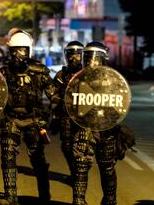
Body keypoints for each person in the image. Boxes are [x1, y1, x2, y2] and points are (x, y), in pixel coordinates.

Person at [0, 30, 58, 205]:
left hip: (33, 119)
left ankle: (44, 196)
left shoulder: (39, 70)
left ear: (29, 50)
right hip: (12, 118)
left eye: (22, 50)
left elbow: (53, 94)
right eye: (15, 50)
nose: (18, 54)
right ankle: (10, 196)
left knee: (38, 159)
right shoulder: (4, 71)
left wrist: (54, 114)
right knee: (7, 155)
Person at [71, 41, 120, 205]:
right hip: (85, 126)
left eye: (96, 58)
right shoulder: (77, 80)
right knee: (81, 164)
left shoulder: (113, 80)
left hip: (107, 128)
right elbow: (69, 102)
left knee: (107, 167)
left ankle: (110, 200)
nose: (92, 62)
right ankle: (79, 200)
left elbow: (121, 105)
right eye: (88, 57)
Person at [51, 41, 84, 182]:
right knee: (66, 147)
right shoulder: (61, 75)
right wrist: (54, 116)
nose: (73, 58)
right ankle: (74, 172)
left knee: (82, 148)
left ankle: (80, 175)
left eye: (77, 54)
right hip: (66, 116)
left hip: (84, 117)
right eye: (71, 54)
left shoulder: (89, 73)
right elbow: (54, 96)